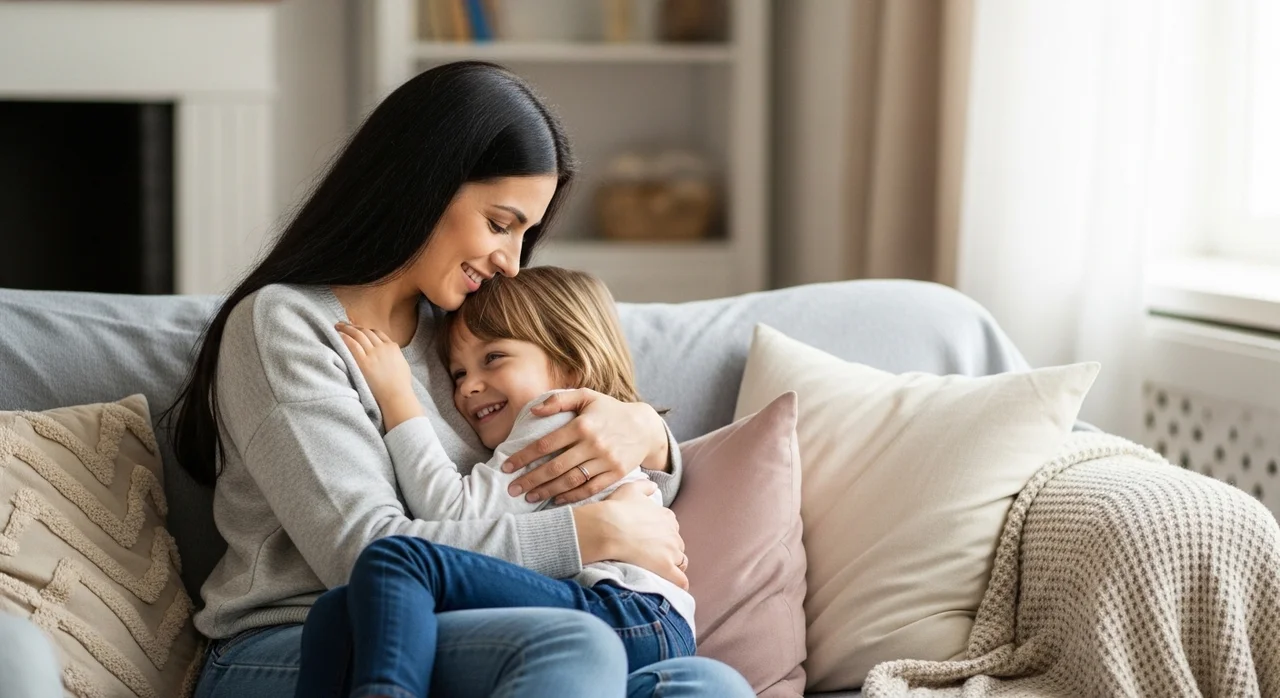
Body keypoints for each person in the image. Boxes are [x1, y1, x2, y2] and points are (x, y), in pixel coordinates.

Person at [168, 61, 751, 697]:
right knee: (574, 645)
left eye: (526, 234)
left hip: (494, 623)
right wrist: (595, 535)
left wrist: (643, 432)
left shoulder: (466, 331)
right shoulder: (287, 324)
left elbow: (602, 488)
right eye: (500, 224)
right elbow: (363, 558)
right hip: (307, 640)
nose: (512, 262)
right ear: (422, 186)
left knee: (708, 685)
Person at [295, 267, 707, 698]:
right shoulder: (589, 429)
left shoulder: (554, 420)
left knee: (396, 559)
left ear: (570, 363)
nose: (469, 387)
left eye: (493, 358)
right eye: (457, 374)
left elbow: (455, 512)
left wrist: (398, 397)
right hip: (653, 623)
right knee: (336, 614)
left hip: (623, 610)